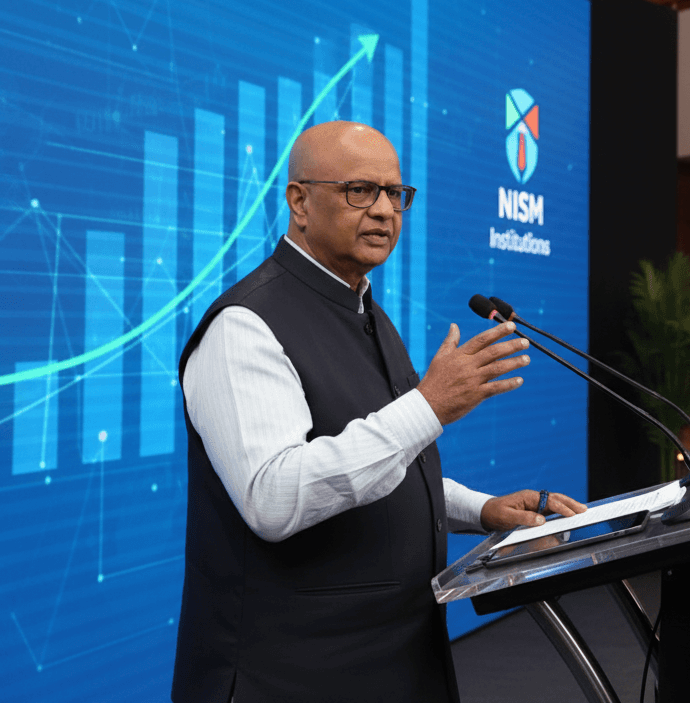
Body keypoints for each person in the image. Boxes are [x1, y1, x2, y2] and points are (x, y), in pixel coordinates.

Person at [173, 121, 585, 702]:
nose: (385, 211)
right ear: (299, 202)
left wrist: (481, 510)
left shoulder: (365, 309)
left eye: (396, 194)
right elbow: (274, 498)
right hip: (292, 678)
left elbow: (381, 470)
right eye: (359, 191)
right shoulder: (245, 327)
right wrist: (429, 405)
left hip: (397, 661)